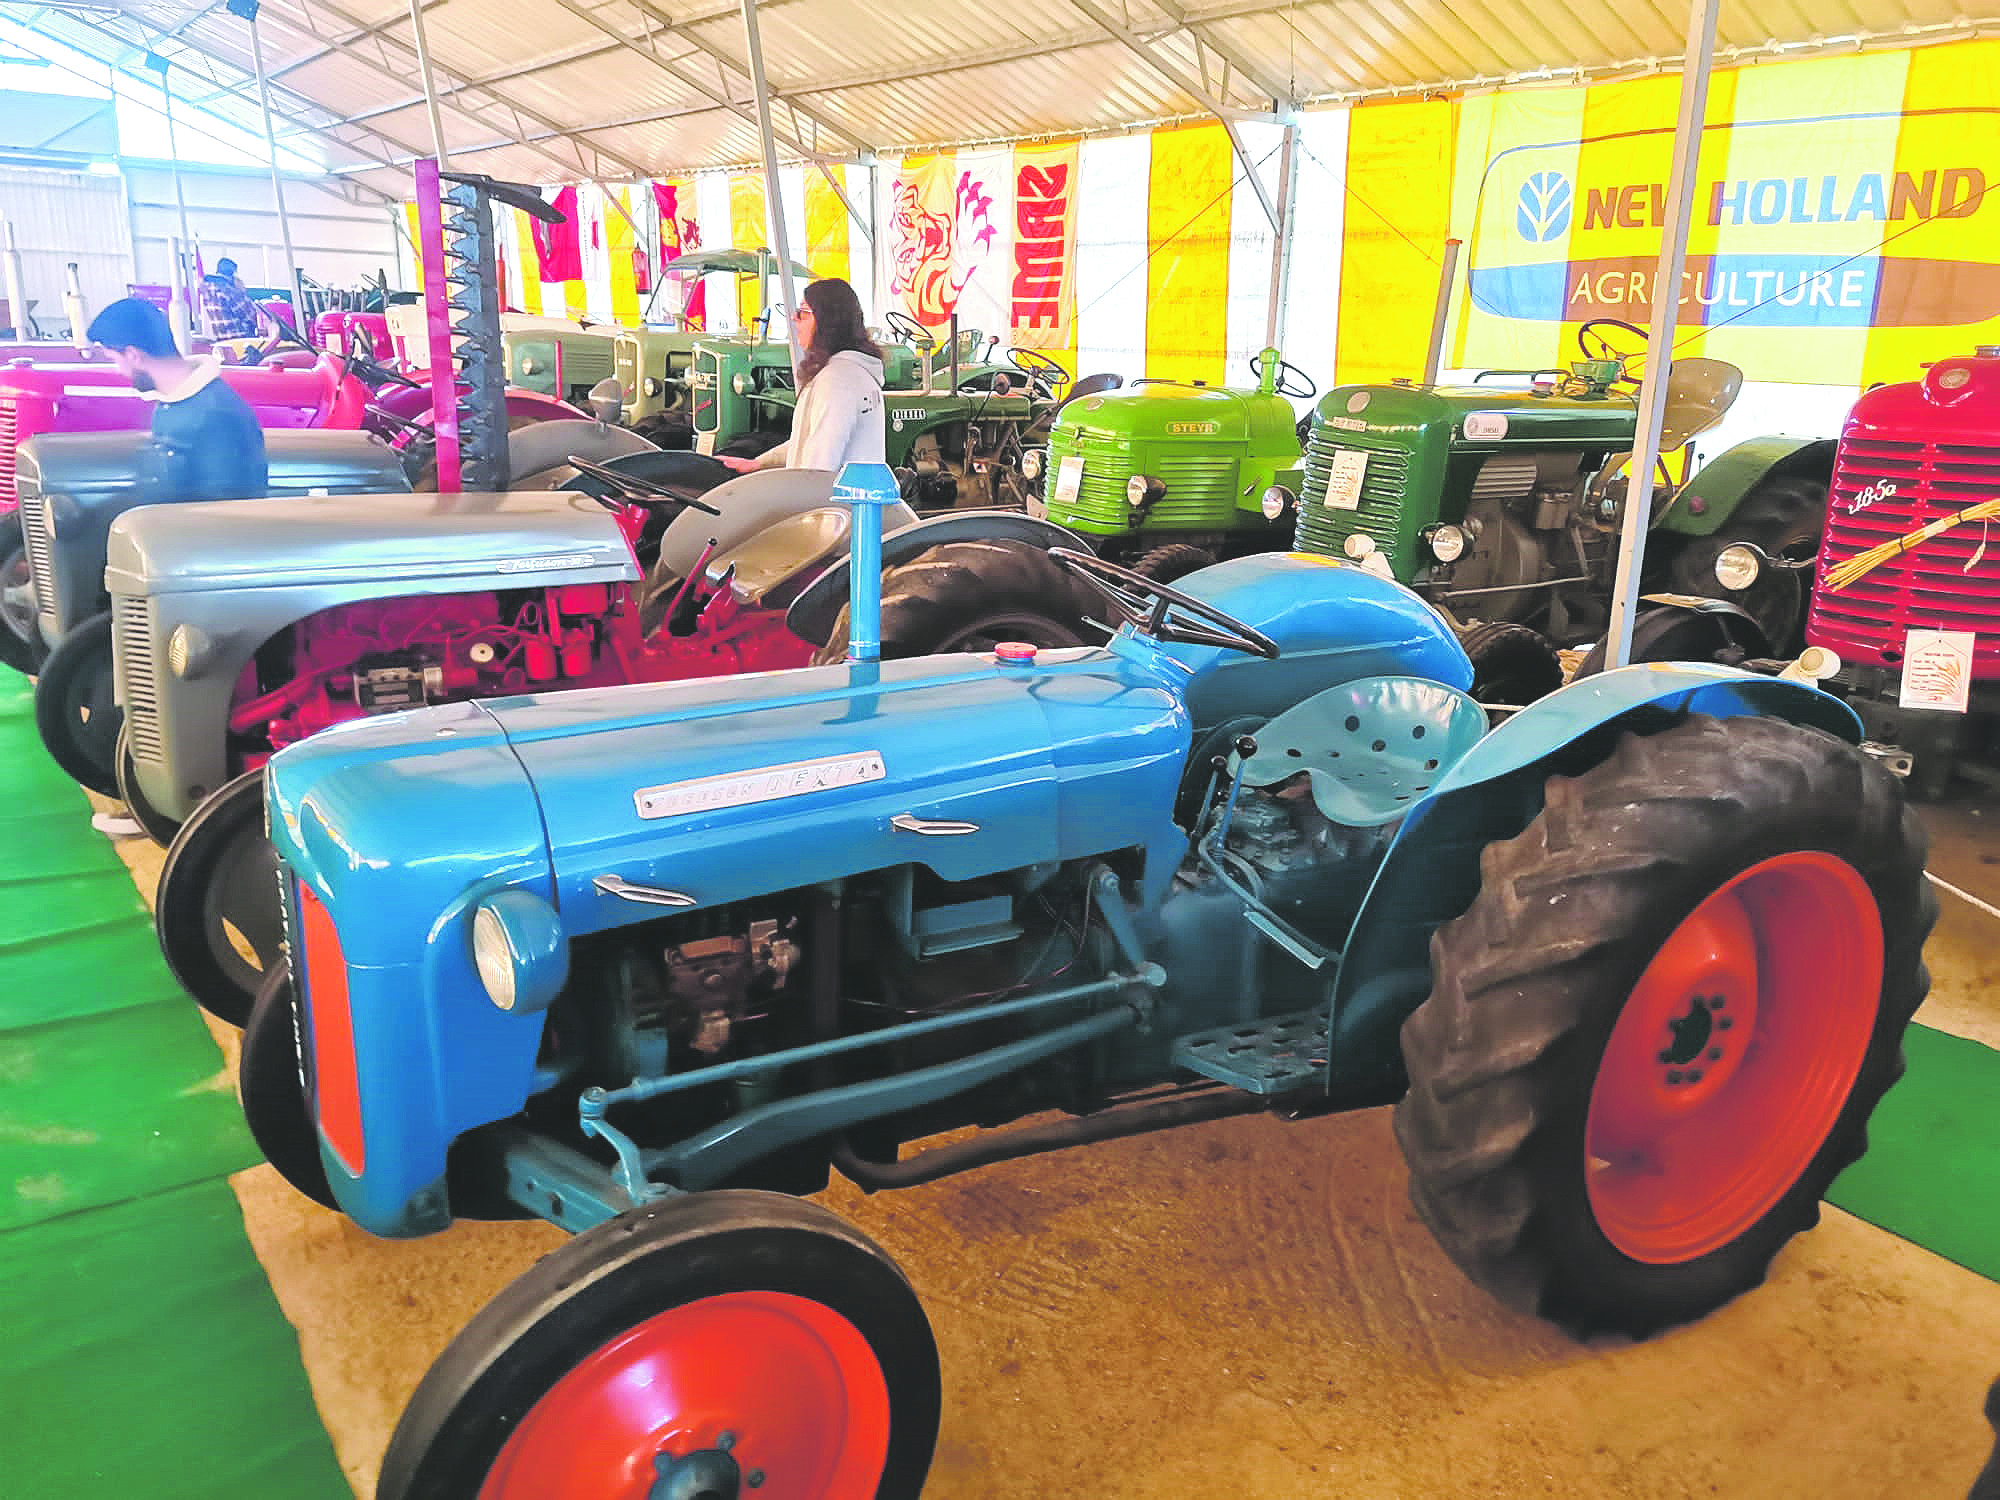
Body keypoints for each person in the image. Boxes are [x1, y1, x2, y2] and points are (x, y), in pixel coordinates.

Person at [719, 277, 885, 475]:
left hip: (828, 504)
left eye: (803, 312)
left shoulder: (836, 381)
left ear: (827, 322)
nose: (793, 317)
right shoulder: (851, 373)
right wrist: (757, 463)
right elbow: (808, 442)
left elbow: (818, 466)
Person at [197, 257, 269, 340]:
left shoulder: (207, 290)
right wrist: (242, 291)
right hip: (241, 340)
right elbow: (252, 315)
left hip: (221, 339)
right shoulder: (229, 291)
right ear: (233, 274)